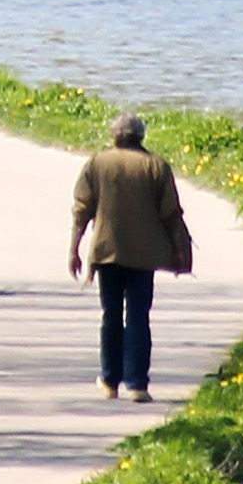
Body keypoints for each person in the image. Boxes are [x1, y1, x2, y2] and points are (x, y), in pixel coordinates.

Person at [66, 111, 196, 401]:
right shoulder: (156, 166)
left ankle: (110, 380)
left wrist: (74, 249)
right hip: (143, 255)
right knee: (138, 317)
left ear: (114, 136)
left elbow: (81, 210)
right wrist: (180, 250)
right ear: (141, 136)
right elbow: (171, 214)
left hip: (106, 252)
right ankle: (137, 384)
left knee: (110, 315)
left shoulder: (98, 163)